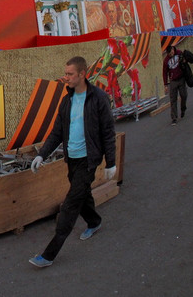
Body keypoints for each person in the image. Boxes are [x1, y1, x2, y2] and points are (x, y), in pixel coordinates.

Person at [28, 56, 117, 268]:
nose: (65, 77)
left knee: (70, 205)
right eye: (65, 73)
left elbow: (108, 132)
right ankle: (94, 222)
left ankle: (48, 255)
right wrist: (41, 155)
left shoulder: (99, 98)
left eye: (70, 74)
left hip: (89, 161)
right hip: (72, 159)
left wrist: (111, 162)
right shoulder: (66, 101)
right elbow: (57, 132)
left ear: (82, 74)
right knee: (82, 194)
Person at [163, 44, 187, 124]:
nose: (171, 55)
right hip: (173, 80)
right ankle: (174, 117)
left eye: (172, 53)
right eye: (169, 54)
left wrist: (184, 61)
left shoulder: (179, 53)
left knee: (184, 95)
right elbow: (164, 72)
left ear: (173, 50)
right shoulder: (166, 60)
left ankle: (183, 108)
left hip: (181, 78)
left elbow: (185, 60)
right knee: (173, 99)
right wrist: (165, 84)